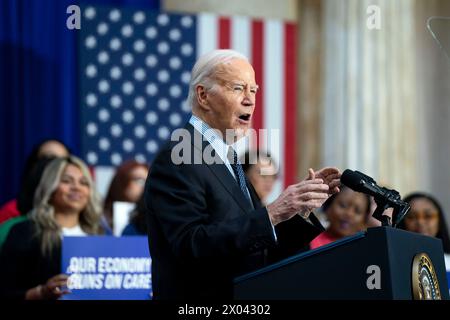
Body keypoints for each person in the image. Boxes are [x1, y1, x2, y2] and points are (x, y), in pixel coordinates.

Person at [144, 49, 341, 300]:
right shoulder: (178, 156)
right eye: (238, 88)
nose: (250, 100)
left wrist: (298, 209)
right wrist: (272, 213)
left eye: (254, 90)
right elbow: (190, 245)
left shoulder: (227, 157)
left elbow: (256, 247)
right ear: (203, 96)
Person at [0, 156, 104, 299]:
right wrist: (40, 293)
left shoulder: (100, 236)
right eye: (66, 181)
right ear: (50, 188)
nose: (76, 187)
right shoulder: (25, 232)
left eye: (84, 182)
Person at [0, 139, 70, 224]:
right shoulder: (11, 212)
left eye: (62, 160)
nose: (55, 166)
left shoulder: (82, 215)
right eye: (48, 158)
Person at [398, 192, 450, 268]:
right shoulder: (396, 262)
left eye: (428, 216)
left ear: (439, 220)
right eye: (411, 216)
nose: (420, 222)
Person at [102, 160, 149, 232]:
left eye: (148, 181)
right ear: (122, 182)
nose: (146, 186)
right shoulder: (100, 217)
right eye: (140, 181)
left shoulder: (153, 218)